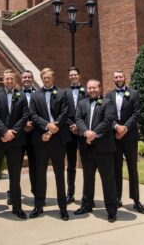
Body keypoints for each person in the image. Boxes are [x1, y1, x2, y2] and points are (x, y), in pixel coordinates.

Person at [0, 69, 29, 222]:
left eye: (11, 79)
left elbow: (24, 116)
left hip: (15, 142)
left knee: (15, 176)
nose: (9, 81)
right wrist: (4, 132)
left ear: (15, 80)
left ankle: (17, 207)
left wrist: (13, 132)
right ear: (3, 79)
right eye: (7, 78)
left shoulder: (21, 95)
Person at [74, 79, 120, 222]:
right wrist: (85, 132)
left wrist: (92, 134)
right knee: (88, 178)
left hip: (104, 149)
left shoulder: (108, 103)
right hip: (86, 148)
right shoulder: (82, 103)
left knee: (108, 180)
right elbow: (78, 119)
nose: (92, 90)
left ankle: (112, 210)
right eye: (89, 88)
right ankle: (86, 205)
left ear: (100, 88)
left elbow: (108, 121)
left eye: (94, 87)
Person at [28, 67, 70, 220]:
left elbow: (65, 112)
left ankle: (63, 208)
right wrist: (47, 127)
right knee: (40, 174)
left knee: (60, 174)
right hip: (41, 139)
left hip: (58, 139)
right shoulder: (35, 95)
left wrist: (53, 128)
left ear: (53, 78)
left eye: (49, 77)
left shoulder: (62, 93)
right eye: (44, 77)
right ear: (41, 78)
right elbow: (33, 115)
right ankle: (38, 206)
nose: (46, 80)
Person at [108, 70, 144, 214]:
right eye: (116, 77)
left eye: (120, 76)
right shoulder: (109, 95)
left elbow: (136, 113)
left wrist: (125, 128)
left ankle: (136, 200)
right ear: (114, 79)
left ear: (125, 78)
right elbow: (107, 115)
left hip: (130, 137)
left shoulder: (134, 94)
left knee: (132, 169)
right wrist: (117, 127)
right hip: (115, 137)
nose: (118, 78)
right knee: (116, 168)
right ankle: (117, 198)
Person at [16, 69, 38, 206]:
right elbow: (12, 114)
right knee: (15, 166)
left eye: (29, 77)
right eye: (25, 77)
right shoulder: (15, 94)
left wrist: (33, 124)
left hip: (35, 135)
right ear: (21, 79)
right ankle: (14, 193)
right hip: (19, 134)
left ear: (32, 79)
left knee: (34, 166)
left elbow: (42, 112)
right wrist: (23, 125)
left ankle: (37, 193)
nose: (27, 79)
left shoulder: (39, 94)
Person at [64, 66, 85, 205]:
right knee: (71, 164)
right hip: (69, 132)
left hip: (84, 132)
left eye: (75, 74)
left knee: (88, 165)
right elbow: (61, 111)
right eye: (70, 75)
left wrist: (80, 126)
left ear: (80, 75)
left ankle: (87, 196)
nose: (73, 77)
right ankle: (70, 194)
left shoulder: (88, 91)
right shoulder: (64, 92)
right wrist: (72, 125)